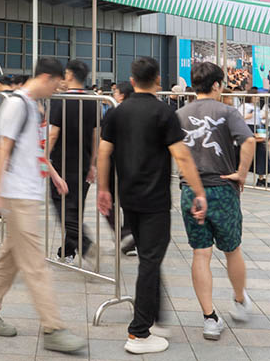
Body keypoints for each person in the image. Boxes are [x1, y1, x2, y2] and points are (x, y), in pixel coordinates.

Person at [0, 58, 86, 354]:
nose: (57, 89)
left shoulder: (35, 108)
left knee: (9, 259)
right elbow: (2, 149)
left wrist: (55, 175)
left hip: (27, 193)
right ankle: (53, 327)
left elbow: (34, 149)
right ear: (47, 78)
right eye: (57, 84)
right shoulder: (17, 105)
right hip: (17, 195)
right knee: (36, 265)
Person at [97, 56, 207, 354]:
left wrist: (104, 190)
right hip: (155, 199)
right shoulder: (164, 113)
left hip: (127, 197)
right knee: (150, 260)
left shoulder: (117, 113)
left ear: (132, 81)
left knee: (150, 256)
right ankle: (139, 333)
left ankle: (155, 318)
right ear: (157, 79)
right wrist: (199, 192)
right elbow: (182, 157)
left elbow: (104, 153)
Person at [176, 61, 256, 341]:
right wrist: (242, 173)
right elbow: (248, 141)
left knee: (201, 253)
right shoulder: (226, 111)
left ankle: (210, 318)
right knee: (232, 249)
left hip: (190, 190)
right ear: (216, 85)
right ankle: (238, 300)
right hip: (223, 188)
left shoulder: (180, 114)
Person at [47, 59, 100, 263]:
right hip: (84, 162)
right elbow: (97, 134)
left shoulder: (60, 100)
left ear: (69, 75)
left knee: (62, 206)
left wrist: (42, 155)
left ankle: (83, 244)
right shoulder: (93, 100)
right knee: (75, 207)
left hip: (62, 163)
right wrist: (93, 163)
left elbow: (53, 134)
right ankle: (68, 251)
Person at [103, 81, 134, 255]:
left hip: (113, 161)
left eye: (115, 92)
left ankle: (123, 234)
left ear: (121, 95)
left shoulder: (113, 112)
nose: (113, 95)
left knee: (106, 201)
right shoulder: (137, 111)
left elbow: (104, 141)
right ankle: (129, 236)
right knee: (127, 201)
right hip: (133, 163)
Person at [243, 87, 270, 187]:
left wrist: (262, 133)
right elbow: (239, 118)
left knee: (261, 154)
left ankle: (261, 178)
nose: (257, 97)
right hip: (248, 130)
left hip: (257, 130)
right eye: (255, 95)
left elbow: (259, 121)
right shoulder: (245, 106)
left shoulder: (256, 107)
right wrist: (247, 116)